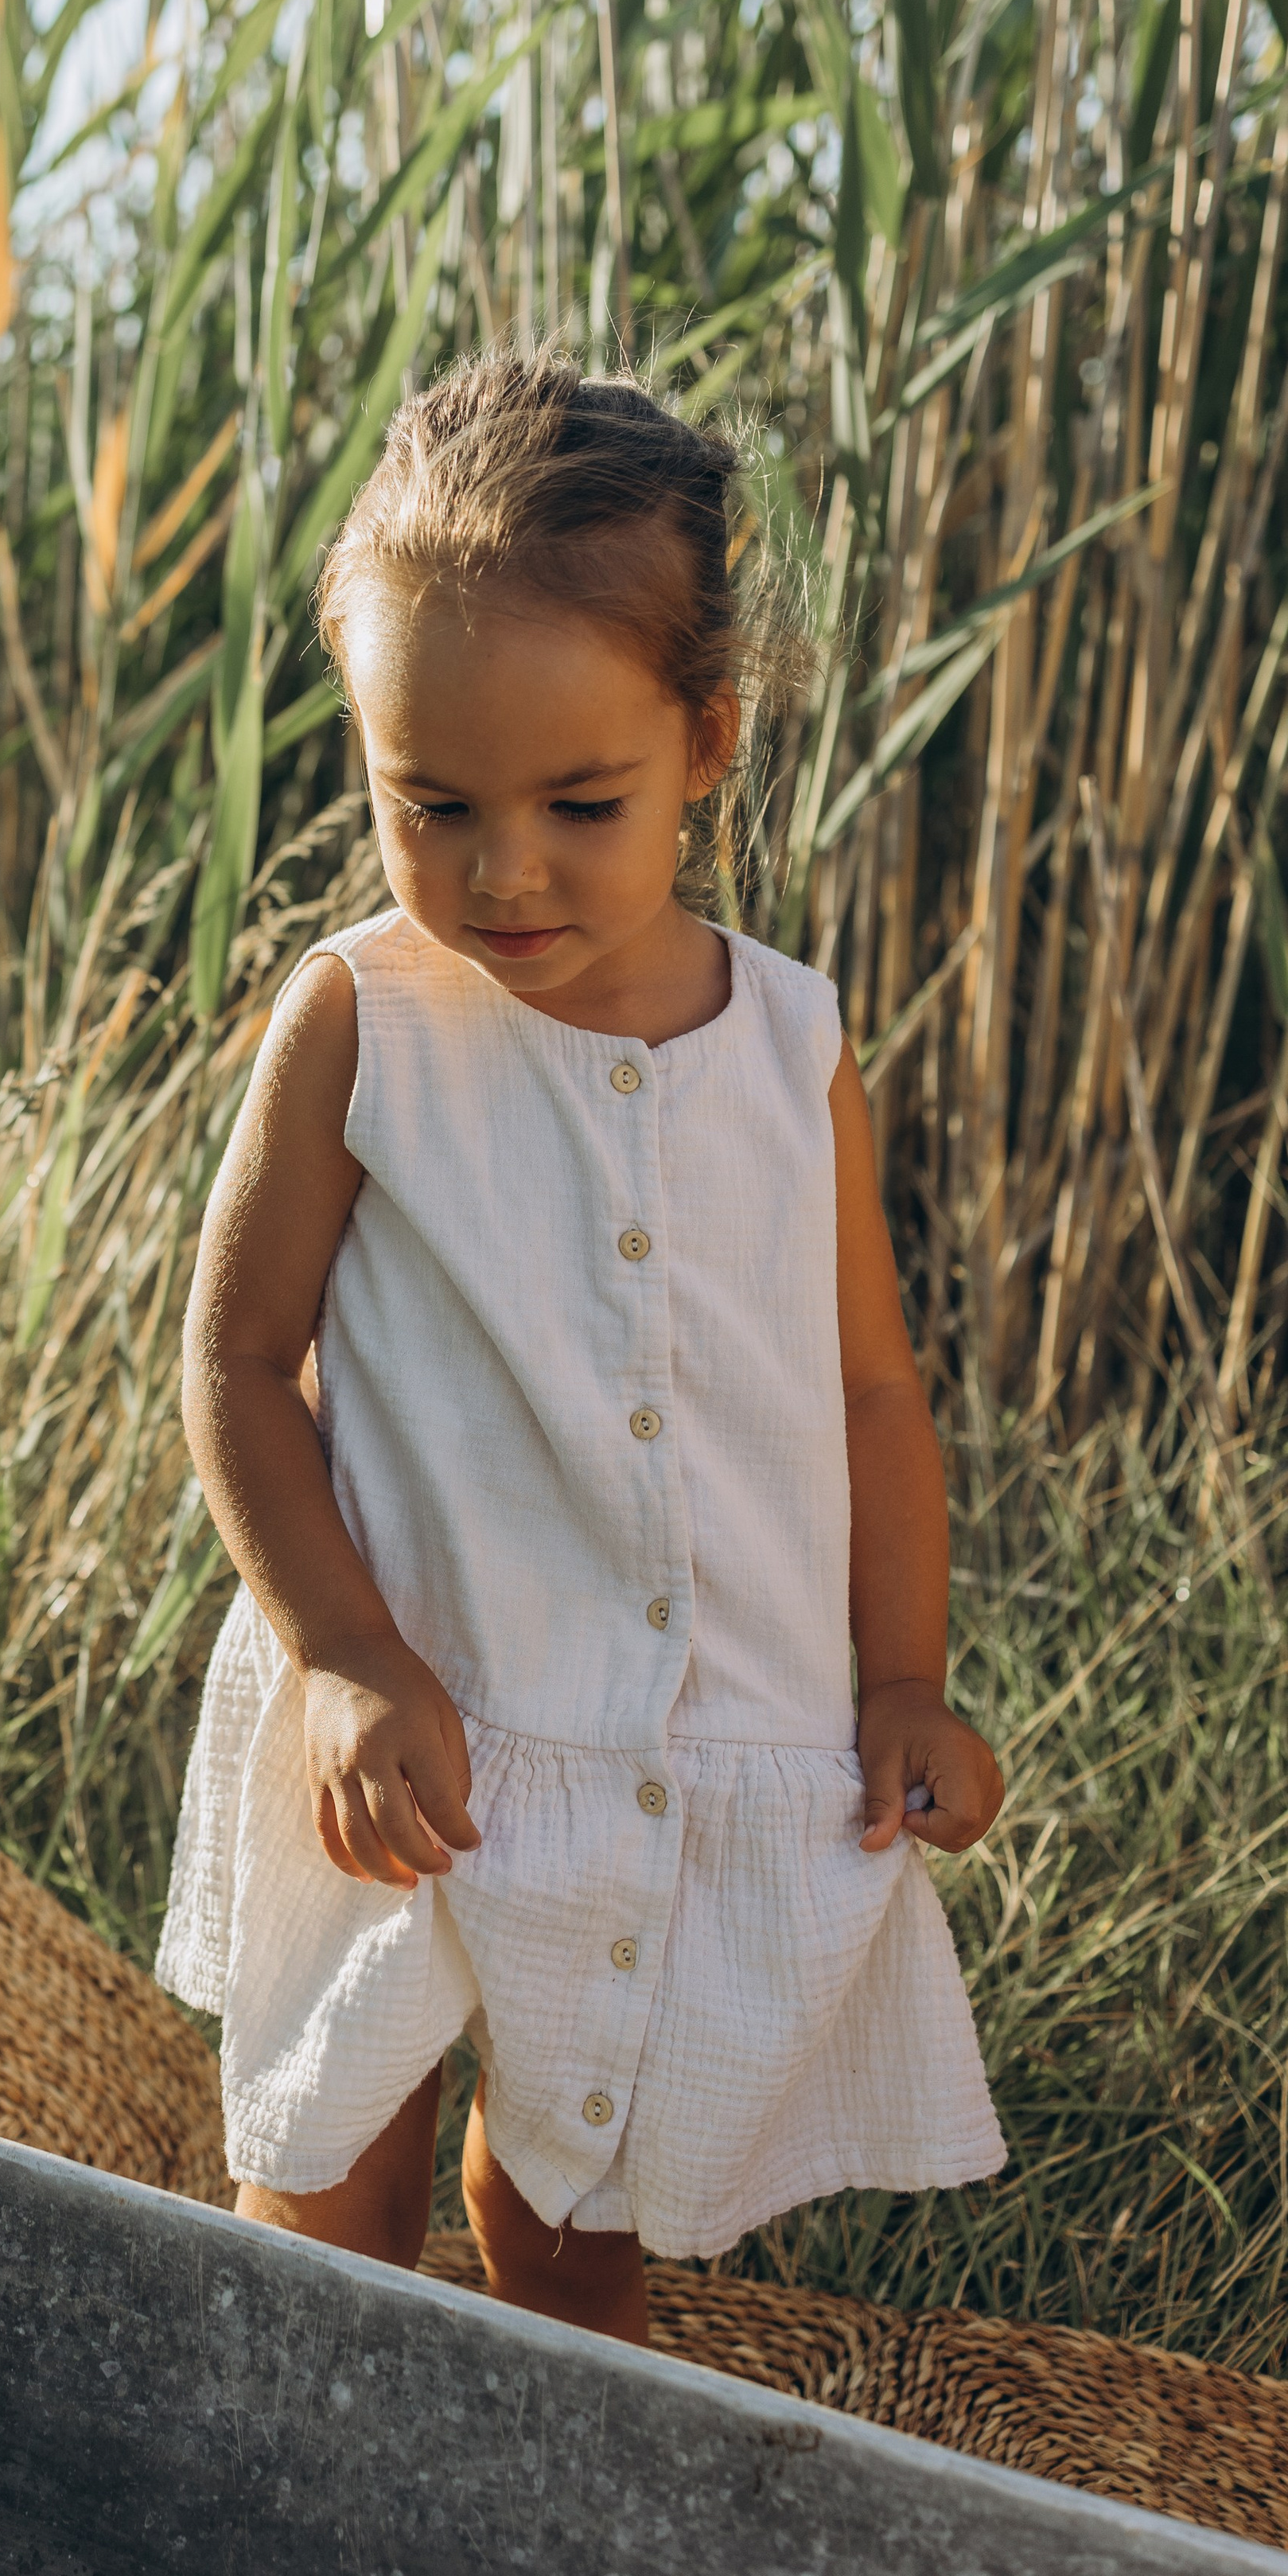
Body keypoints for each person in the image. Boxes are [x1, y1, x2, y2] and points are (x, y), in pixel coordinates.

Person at [154, 347, 1005, 2342]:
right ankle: (282, 2485)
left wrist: (901, 1678)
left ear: (703, 742)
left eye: (576, 802)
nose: (498, 870)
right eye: (425, 804)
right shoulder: (363, 1017)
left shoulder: (788, 1049)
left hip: (664, 1749)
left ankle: (544, 2503)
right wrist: (342, 1658)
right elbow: (232, 1365)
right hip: (412, 1712)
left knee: (570, 2224)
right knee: (326, 2188)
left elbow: (869, 1390)